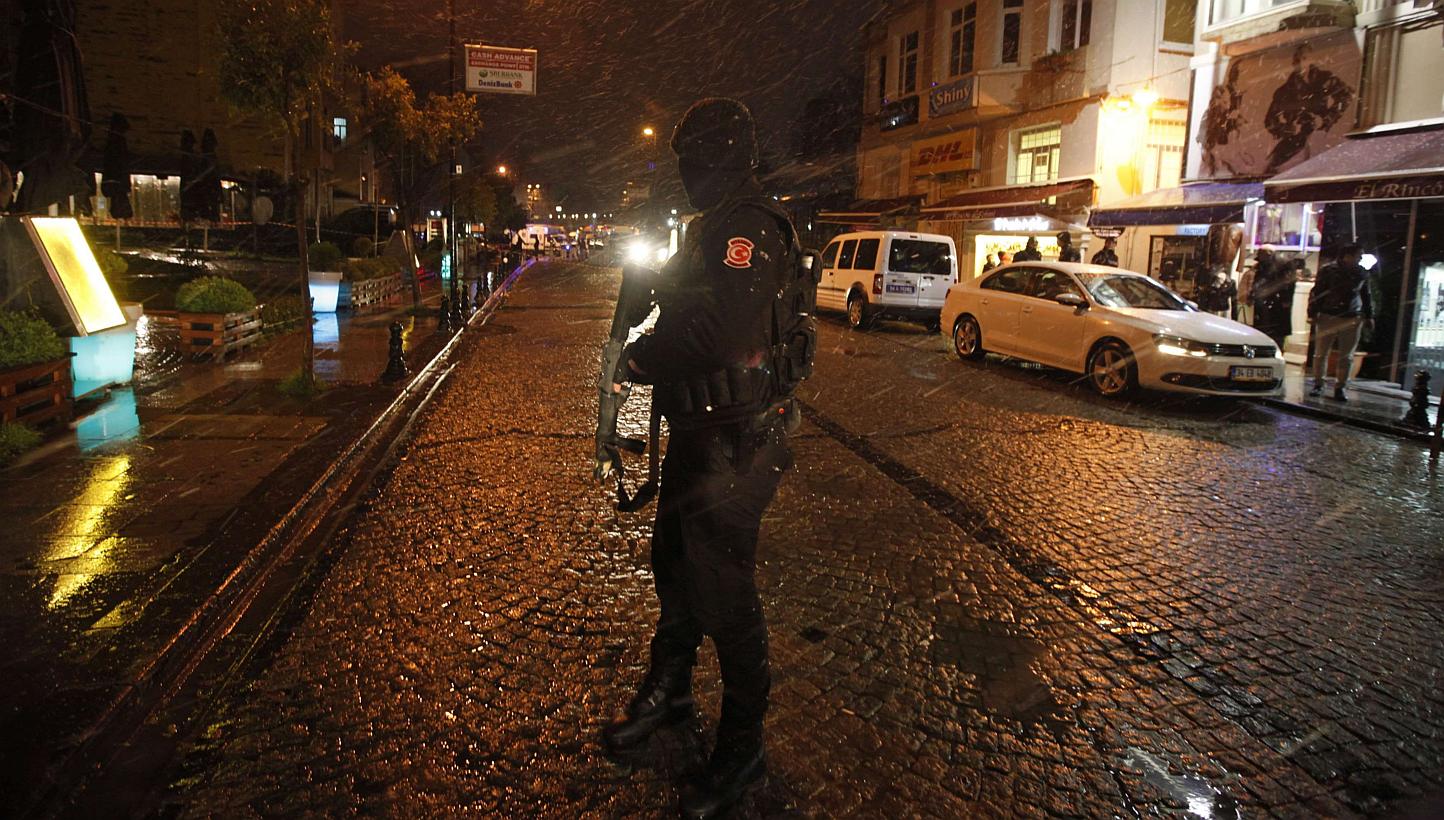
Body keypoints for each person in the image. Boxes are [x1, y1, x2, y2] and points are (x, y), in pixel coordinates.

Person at [603, 97, 796, 818]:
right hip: (701, 429)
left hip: (739, 439)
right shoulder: (714, 226)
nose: (685, 175)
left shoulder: (747, 226)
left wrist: (644, 356)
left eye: (693, 161)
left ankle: (742, 746)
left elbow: (721, 333)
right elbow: (693, 306)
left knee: (725, 589)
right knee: (674, 563)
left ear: (721, 158)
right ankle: (672, 689)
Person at [1308, 243, 1373, 401]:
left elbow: (1366, 295)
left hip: (1351, 316)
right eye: (1358, 255)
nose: (1360, 259)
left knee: (1346, 355)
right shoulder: (1329, 270)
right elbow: (1318, 291)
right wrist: (1313, 312)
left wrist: (1369, 315)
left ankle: (1340, 387)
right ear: (1347, 256)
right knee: (1321, 353)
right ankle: (1319, 384)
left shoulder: (1361, 273)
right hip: (1329, 314)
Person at [1251, 247, 1295, 351]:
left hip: (1275, 305)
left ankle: (1274, 350)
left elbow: (1287, 285)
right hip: (1269, 304)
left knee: (1274, 331)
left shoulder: (1280, 266)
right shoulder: (1266, 266)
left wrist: (1285, 300)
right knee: (1268, 330)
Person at [1235, 260, 1257, 325]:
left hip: (1242, 298)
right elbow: (1250, 287)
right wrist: (1250, 299)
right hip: (1246, 299)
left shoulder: (1247, 273)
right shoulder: (1252, 274)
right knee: (1248, 319)